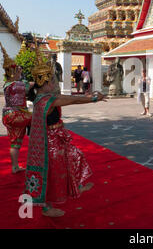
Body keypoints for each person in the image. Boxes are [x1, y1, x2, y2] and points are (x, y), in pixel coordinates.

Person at [25, 47, 107, 218]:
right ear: (46, 83)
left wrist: (89, 96)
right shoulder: (47, 100)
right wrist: (93, 98)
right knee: (54, 174)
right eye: (53, 81)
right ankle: (47, 207)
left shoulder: (41, 98)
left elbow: (71, 98)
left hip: (57, 138)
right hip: (51, 143)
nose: (55, 84)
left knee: (75, 156)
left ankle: (75, 185)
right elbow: (74, 99)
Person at [0, 41, 33, 174]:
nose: (20, 72)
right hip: (16, 115)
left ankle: (15, 166)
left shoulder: (6, 84)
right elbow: (29, 85)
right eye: (18, 71)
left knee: (15, 143)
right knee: (39, 118)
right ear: (13, 72)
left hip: (8, 115)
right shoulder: (17, 84)